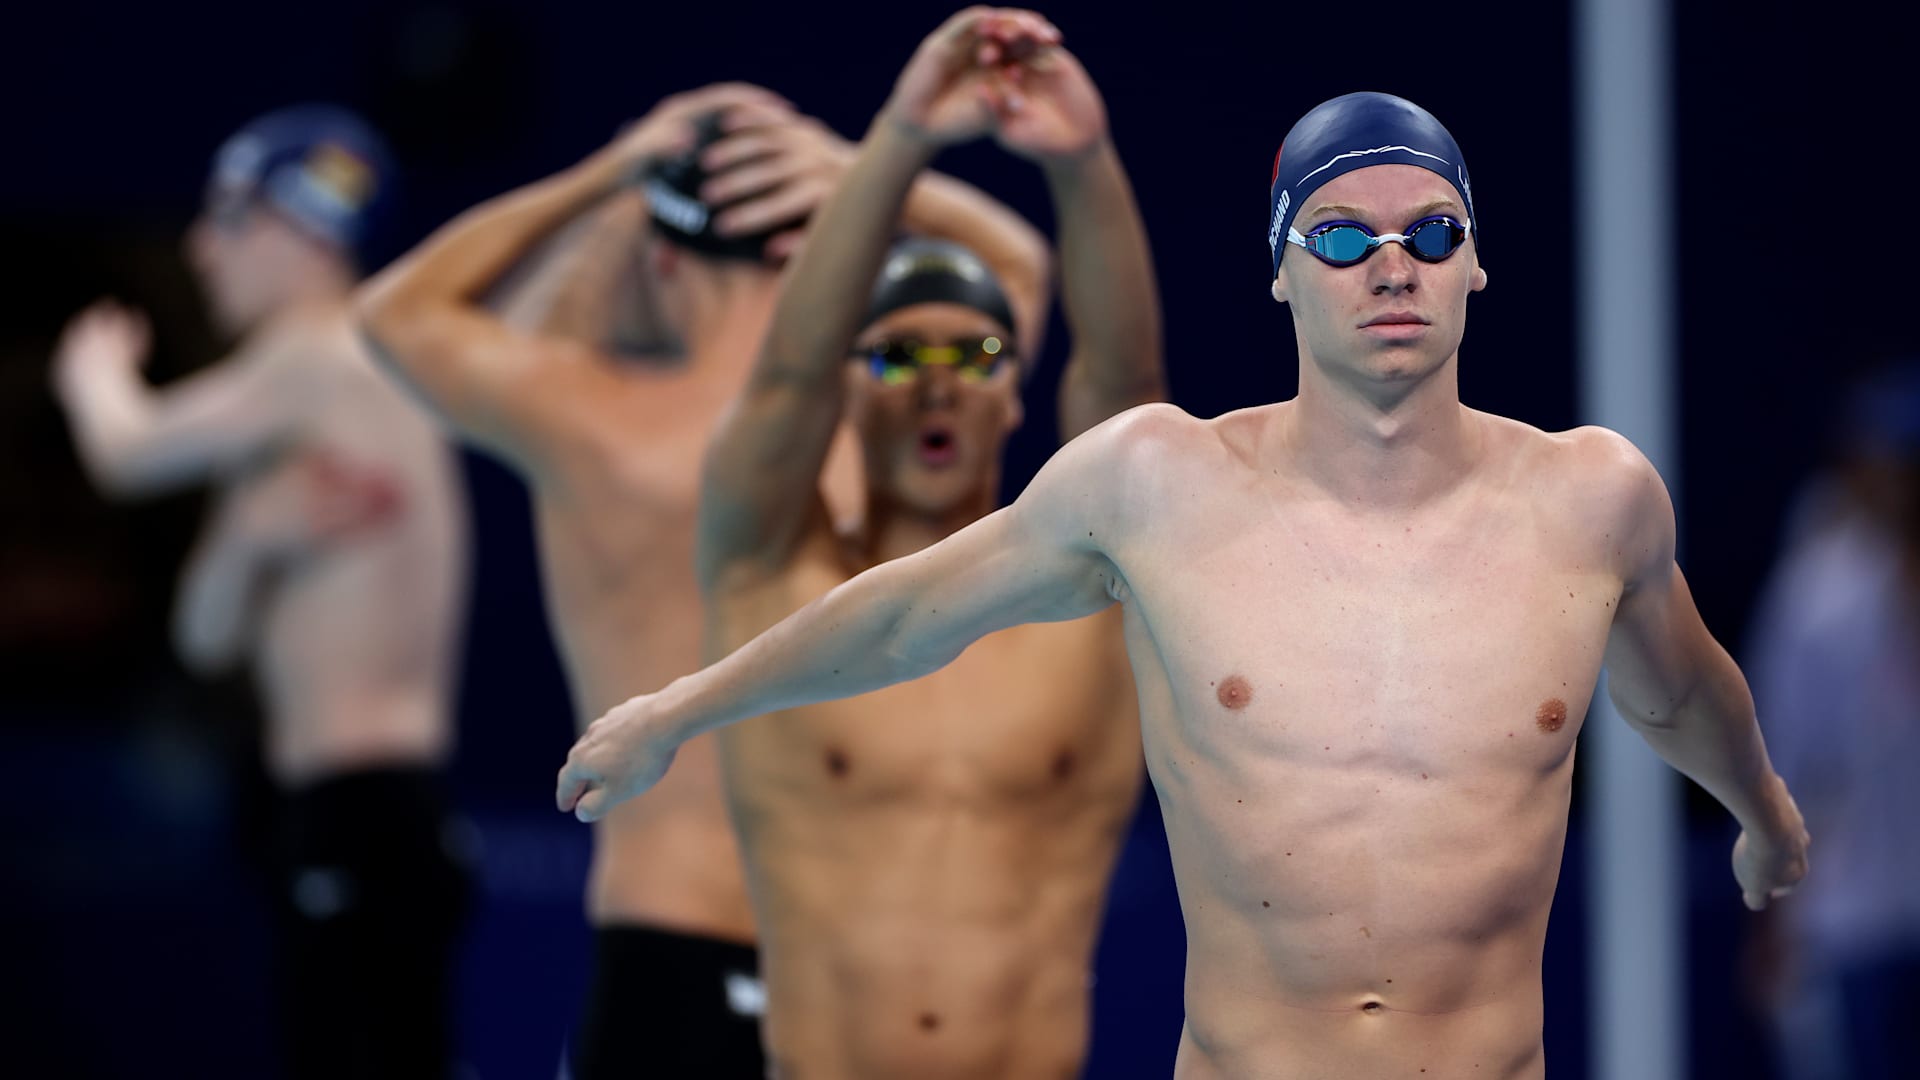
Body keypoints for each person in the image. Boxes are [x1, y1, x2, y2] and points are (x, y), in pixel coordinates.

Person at [559, 73, 1812, 1077]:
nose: (1393, 267)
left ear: (1477, 264)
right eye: (1341, 237)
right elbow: (905, 619)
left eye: (1432, 233)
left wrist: (1761, 808)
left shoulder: (1593, 501)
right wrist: (681, 708)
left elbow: (1678, 692)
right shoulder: (1158, 484)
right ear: (1279, 270)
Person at [357, 82, 1053, 1077]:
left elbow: (394, 313)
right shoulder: (891, 419)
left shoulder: (590, 421)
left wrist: (611, 169)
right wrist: (861, 162)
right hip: (873, 966)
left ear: (663, 259)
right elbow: (1020, 265)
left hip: (670, 945)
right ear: (815, 251)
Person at [662, 8, 1164, 1077]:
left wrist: (1082, 161)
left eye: (973, 351)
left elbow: (1127, 393)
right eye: (896, 357)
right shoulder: (771, 577)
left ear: (1015, 395)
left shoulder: (1091, 597)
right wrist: (898, 140)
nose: (938, 380)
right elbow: (787, 375)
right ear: (846, 396)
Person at [51, 106, 471, 1079]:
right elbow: (204, 639)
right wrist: (249, 543)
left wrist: (91, 372)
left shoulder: (322, 360)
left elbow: (128, 453)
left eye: (225, 220)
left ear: (299, 232)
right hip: (334, 808)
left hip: (364, 804)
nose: (202, 251)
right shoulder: (302, 415)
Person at [1744, 361, 1920, 1080]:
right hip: (1850, 924)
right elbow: (1774, 761)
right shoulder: (1818, 595)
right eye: (1888, 461)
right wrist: (1775, 918)